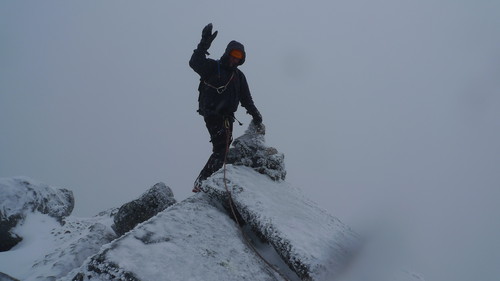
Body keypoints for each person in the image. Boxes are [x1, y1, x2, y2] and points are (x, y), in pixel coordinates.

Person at [189, 23, 262, 192]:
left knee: (224, 147)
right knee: (222, 148)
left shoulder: (239, 76)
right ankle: (202, 183)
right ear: (228, 53)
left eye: (239, 57)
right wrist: (204, 44)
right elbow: (195, 62)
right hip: (213, 113)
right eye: (233, 54)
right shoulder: (213, 67)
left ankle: (206, 182)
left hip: (228, 117)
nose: (235, 59)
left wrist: (256, 115)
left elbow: (246, 98)